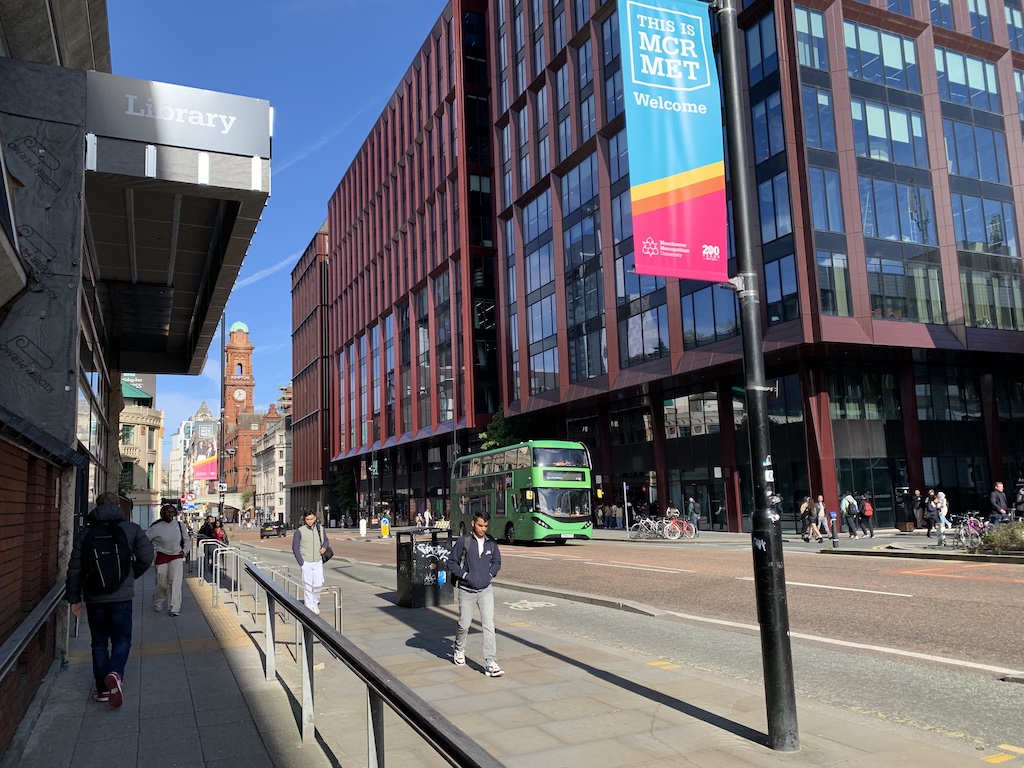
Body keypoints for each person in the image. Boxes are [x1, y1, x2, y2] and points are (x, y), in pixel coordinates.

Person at [66, 491, 153, 707]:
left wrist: (74, 598)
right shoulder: (131, 529)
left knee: (98, 642)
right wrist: (130, 575)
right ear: (118, 506)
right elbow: (147, 557)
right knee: (122, 639)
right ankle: (115, 673)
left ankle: (102, 690)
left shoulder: (85, 534)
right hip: (122, 597)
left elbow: (75, 568)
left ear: (97, 506)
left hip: (94, 597)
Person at [446, 511, 503, 677]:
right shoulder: (464, 541)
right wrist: (465, 576)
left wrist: (489, 575)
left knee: (488, 625)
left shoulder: (491, 542)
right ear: (473, 524)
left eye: (485, 526)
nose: (483, 529)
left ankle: (490, 662)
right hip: (466, 590)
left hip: (485, 590)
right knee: (464, 624)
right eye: (480, 525)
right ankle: (459, 649)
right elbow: (451, 562)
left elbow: (497, 562)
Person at [147, 503, 191, 617]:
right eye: (167, 512)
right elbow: (144, 539)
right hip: (161, 556)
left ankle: (174, 608)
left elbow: (187, 540)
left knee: (175, 582)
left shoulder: (180, 525)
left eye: (172, 512)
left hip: (177, 555)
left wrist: (185, 550)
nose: (170, 514)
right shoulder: (155, 527)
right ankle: (158, 601)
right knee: (161, 584)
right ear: (162, 513)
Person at [292, 511, 330, 614]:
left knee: (318, 583)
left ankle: (315, 603)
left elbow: (326, 540)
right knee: (308, 585)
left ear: (315, 518)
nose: (310, 521)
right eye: (308, 519)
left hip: (317, 560)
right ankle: (309, 606)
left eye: (312, 519)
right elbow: (295, 547)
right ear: (304, 519)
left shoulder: (320, 529)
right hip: (306, 562)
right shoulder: (299, 531)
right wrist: (301, 562)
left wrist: (324, 547)